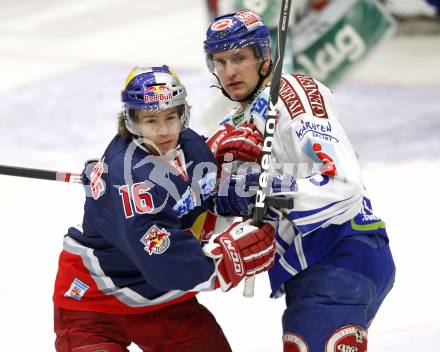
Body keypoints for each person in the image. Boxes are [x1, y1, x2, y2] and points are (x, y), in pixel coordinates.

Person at [204, 10, 396, 352]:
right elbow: (207, 190)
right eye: (219, 61)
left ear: (265, 57)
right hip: (319, 269)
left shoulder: (294, 95)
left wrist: (264, 190)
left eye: (239, 58)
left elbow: (342, 184)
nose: (229, 71)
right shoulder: (235, 121)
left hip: (340, 256)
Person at [52, 65, 276, 352]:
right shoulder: (129, 182)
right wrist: (225, 260)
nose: (164, 130)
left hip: (163, 301)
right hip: (96, 301)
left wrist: (232, 194)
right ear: (131, 121)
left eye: (171, 116)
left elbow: (198, 205)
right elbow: (166, 263)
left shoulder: (191, 145)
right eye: (151, 120)